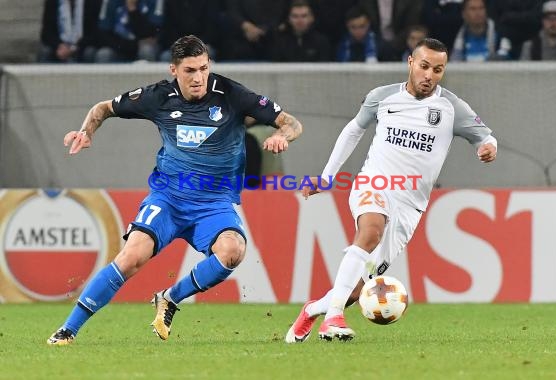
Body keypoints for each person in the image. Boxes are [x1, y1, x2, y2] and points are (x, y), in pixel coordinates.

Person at [47, 34, 303, 345]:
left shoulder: (233, 94)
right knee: (132, 256)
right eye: (190, 71)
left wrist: (283, 137)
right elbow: (103, 108)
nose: (199, 78)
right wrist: (86, 131)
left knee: (233, 251)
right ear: (174, 70)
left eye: (203, 69)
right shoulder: (157, 97)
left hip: (214, 202)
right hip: (168, 197)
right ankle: (68, 330)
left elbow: (291, 122)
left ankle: (169, 298)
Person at [285, 38, 497, 343]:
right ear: (410, 62)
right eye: (424, 66)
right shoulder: (381, 97)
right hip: (375, 183)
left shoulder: (451, 107)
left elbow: (486, 138)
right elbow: (353, 130)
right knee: (370, 231)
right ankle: (333, 318)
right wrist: (326, 177)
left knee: (357, 290)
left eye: (438, 70)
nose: (429, 75)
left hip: (411, 205)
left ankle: (314, 310)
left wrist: (488, 148)